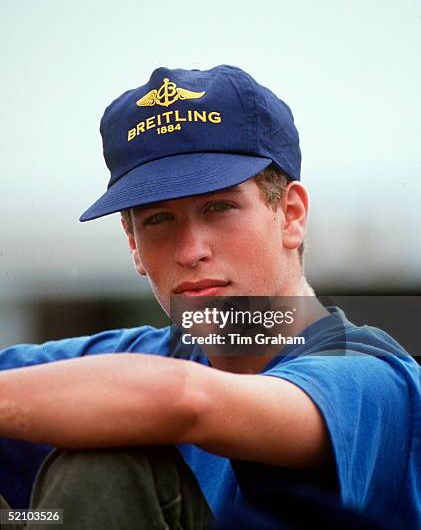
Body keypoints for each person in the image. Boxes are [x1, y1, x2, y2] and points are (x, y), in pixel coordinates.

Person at [0, 65, 419, 529]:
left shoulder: (371, 376)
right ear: (133, 244)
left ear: (292, 215)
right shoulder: (148, 357)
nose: (190, 251)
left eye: (219, 208)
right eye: (158, 220)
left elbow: (183, 402)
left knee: (106, 464)